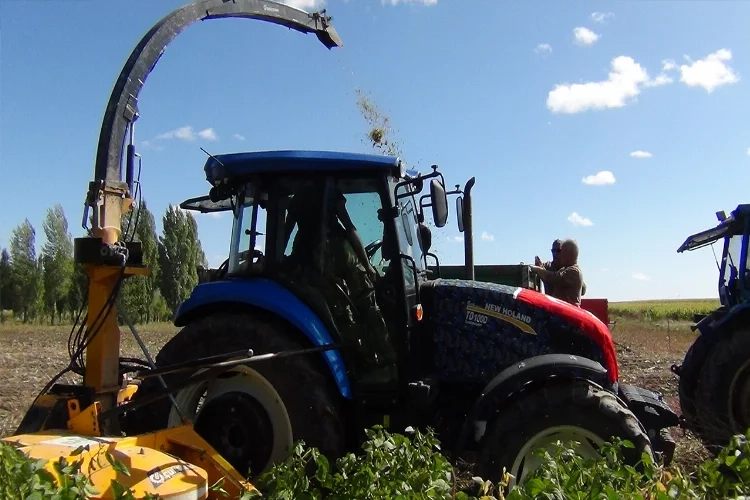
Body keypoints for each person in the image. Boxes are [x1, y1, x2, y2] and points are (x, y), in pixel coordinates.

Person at [283, 183, 397, 385]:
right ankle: (380, 364)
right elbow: (350, 227)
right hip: (328, 260)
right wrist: (367, 265)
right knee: (362, 307)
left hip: (312, 260)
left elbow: (285, 232)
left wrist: (278, 259)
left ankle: (370, 361)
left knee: (353, 309)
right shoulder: (328, 194)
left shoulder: (300, 198)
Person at [530, 238, 584, 307]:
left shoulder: (574, 272)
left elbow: (555, 278)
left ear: (569, 255)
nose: (557, 255)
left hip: (567, 314)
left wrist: (537, 269)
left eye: (561, 252)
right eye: (553, 251)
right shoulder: (564, 269)